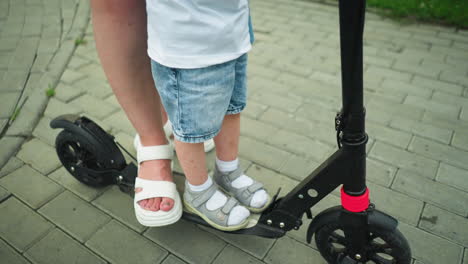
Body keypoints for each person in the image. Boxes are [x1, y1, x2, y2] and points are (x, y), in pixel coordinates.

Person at [90, 0, 271, 231]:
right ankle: (198, 190)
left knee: (231, 109)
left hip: (232, 34)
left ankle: (227, 170)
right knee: (190, 128)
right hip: (188, 47)